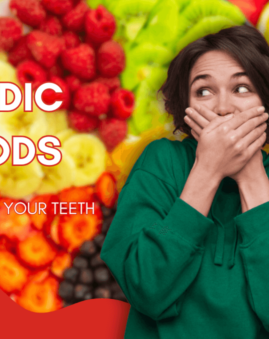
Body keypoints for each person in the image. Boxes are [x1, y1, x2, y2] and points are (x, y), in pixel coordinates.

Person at [100, 24, 269, 339]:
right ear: (186, 107)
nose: (222, 108)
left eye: (242, 88)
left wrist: (252, 178)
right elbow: (145, 288)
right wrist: (207, 171)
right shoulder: (161, 161)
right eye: (204, 91)